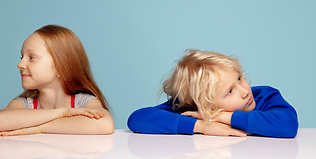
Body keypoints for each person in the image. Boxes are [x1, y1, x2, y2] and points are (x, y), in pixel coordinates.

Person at [127, 49, 298, 138]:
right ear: (205, 105)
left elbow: (288, 125)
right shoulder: (192, 109)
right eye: (230, 91)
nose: (246, 91)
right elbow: (137, 119)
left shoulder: (264, 96)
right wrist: (202, 126)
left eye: (240, 78)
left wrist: (221, 117)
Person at [0, 25, 114, 136]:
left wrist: (39, 128)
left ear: (61, 67)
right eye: (22, 57)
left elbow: (105, 124)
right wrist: (63, 113)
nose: (20, 64)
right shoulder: (24, 104)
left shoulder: (82, 101)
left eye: (31, 57)